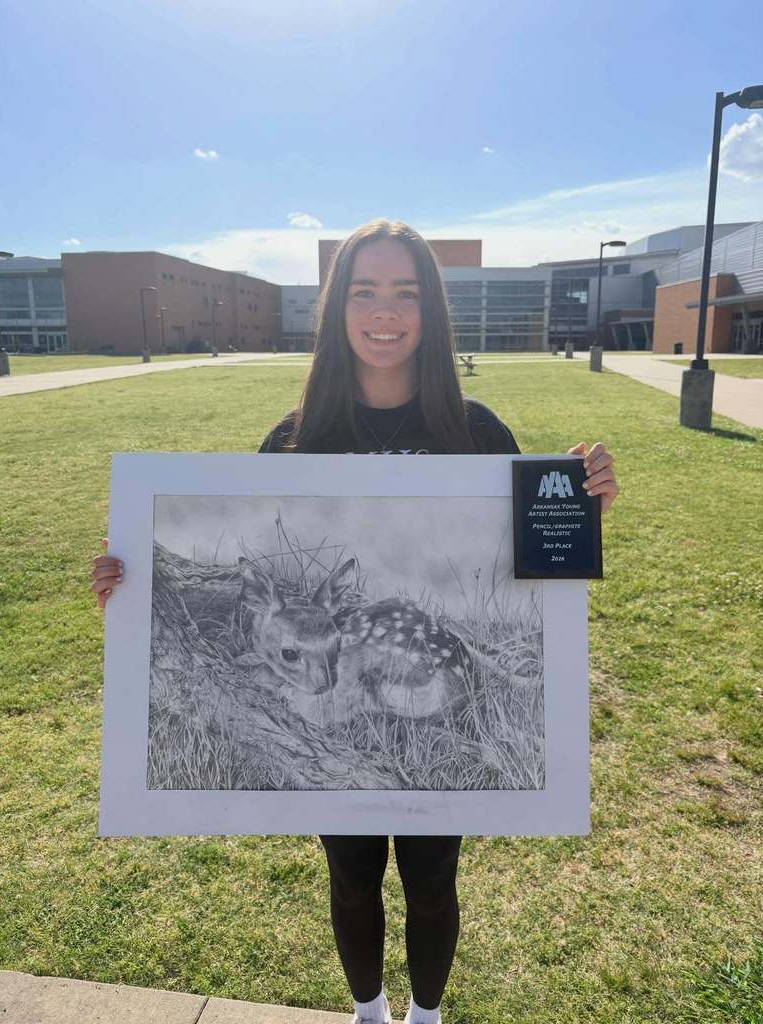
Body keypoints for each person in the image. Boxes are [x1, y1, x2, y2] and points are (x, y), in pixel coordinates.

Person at [91, 219, 619, 1024]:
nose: (385, 312)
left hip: (412, 695)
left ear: (430, 311)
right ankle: (370, 1014)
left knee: (434, 878)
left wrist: (583, 507)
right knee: (350, 874)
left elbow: (536, 563)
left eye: (405, 292)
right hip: (336, 703)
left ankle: (425, 1017)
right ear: (337, 309)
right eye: (364, 291)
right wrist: (130, 587)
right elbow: (256, 584)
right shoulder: (296, 439)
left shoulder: (475, 431)